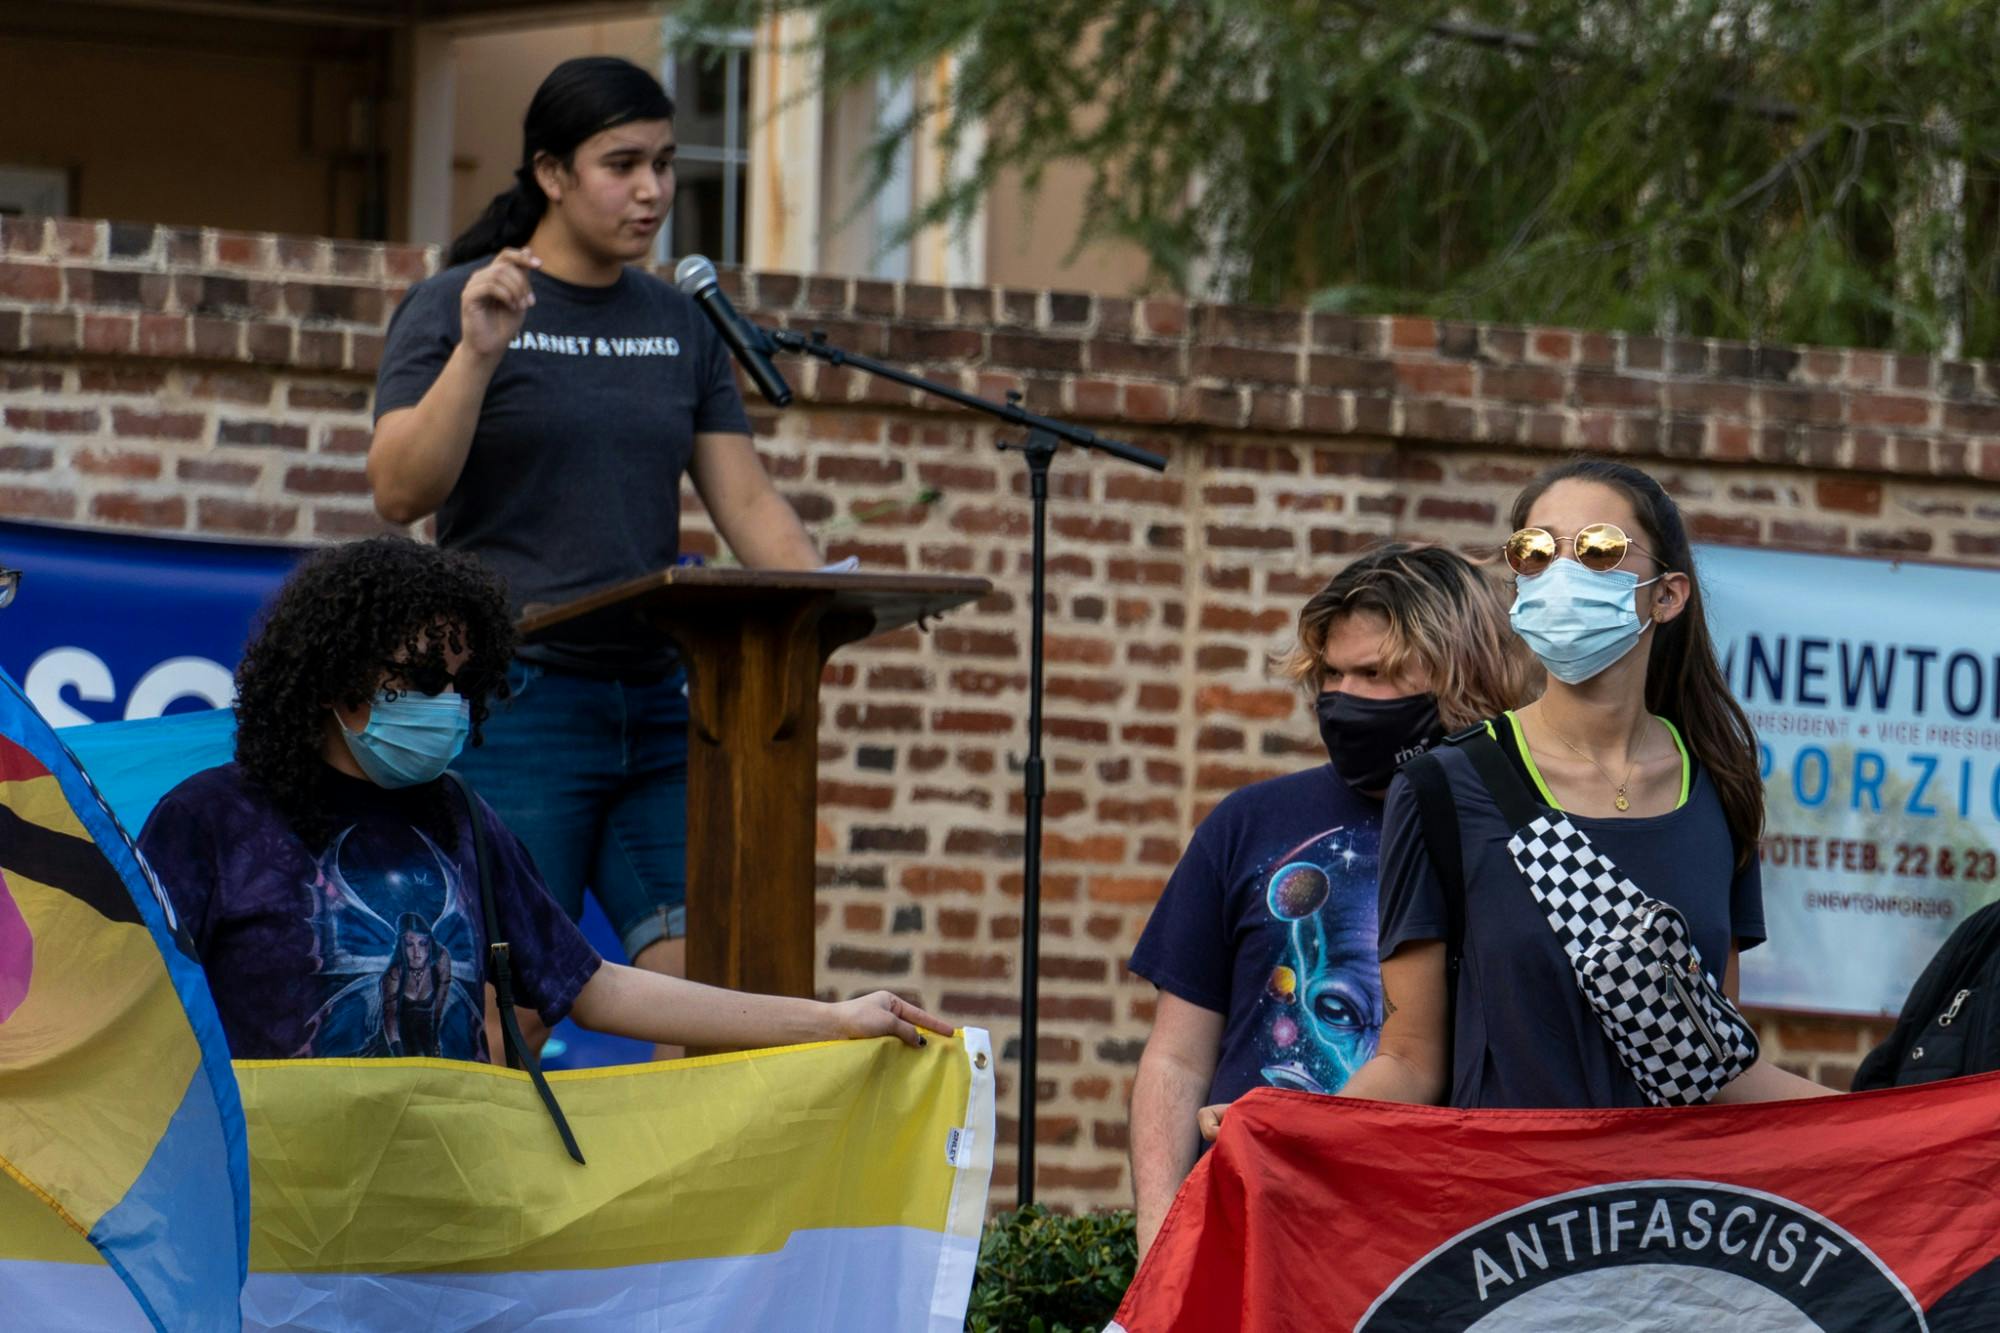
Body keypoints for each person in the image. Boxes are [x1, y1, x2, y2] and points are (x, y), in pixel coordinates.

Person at [367, 56, 823, 1054]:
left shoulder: (677, 322)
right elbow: (401, 488)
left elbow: (746, 500)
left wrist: (822, 608)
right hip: (519, 701)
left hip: (663, 708)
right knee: (505, 1008)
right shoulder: (462, 302)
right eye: (623, 164)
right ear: (551, 172)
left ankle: (680, 1211)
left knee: (708, 1001)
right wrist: (480, 349)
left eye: (665, 162)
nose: (654, 190)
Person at [1200, 458, 1830, 1142]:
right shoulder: (1445, 786)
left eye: (1597, 549)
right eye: (1534, 552)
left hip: (1670, 1220)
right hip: (1512, 1225)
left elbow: (1715, 1071)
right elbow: (1410, 1063)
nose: (1561, 573)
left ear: (1667, 595)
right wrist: (1286, 1124)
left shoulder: (1717, 786)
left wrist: (1919, 1123)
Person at [136, 538, 945, 1063]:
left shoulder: (462, 821)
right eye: (419, 680)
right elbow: (131, 1017)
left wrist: (832, 1022)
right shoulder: (208, 821)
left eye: (462, 683)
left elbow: (599, 987)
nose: (446, 703)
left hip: (440, 1234)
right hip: (271, 1243)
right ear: (332, 673)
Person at [1126, 543, 1539, 1258]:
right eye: (1331, 673)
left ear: (1457, 674)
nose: (1342, 697)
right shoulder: (1248, 823)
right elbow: (1176, 1058)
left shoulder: (1528, 833)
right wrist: (1163, 1228)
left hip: (1442, 1241)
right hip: (1253, 1226)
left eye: (1374, 673)